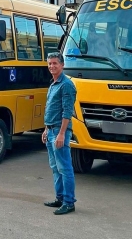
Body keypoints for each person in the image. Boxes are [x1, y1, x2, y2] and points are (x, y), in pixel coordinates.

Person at [42, 52, 77, 215]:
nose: (51, 66)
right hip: (51, 130)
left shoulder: (67, 85)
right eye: (49, 63)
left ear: (62, 65)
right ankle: (60, 198)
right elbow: (51, 109)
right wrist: (46, 129)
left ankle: (69, 202)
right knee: (55, 167)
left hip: (59, 131)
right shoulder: (53, 84)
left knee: (65, 168)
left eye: (55, 63)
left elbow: (67, 112)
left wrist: (61, 133)